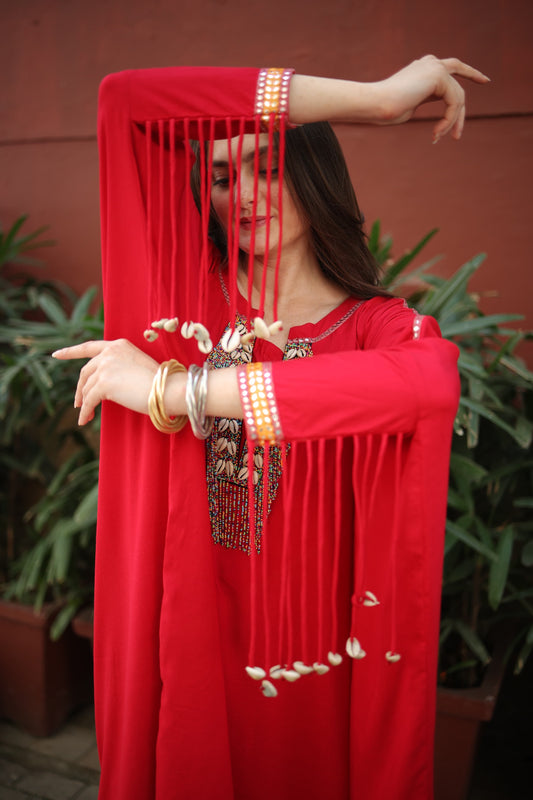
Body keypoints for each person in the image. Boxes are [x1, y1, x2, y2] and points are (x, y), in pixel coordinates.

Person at [53, 56, 489, 800]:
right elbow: (124, 99)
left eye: (269, 166)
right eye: (223, 178)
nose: (246, 193)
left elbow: (424, 386)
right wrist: (379, 98)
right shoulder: (183, 302)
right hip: (186, 619)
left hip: (309, 648)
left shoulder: (376, 327)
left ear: (316, 177)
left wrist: (176, 388)